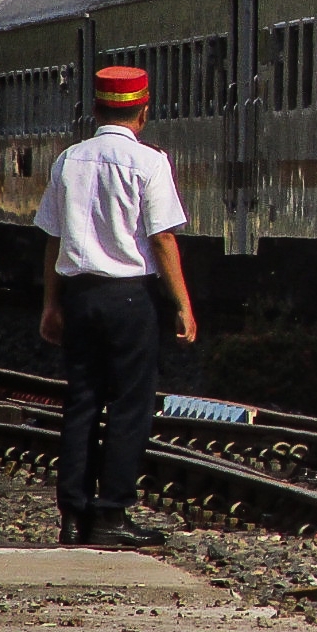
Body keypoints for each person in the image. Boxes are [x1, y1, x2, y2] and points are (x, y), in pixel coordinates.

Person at [35, 65, 197, 547]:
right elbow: (163, 237)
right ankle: (111, 515)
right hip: (130, 298)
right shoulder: (149, 162)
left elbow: (52, 238)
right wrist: (183, 303)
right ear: (143, 111)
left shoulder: (69, 160)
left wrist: (51, 303)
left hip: (80, 295)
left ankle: (72, 515)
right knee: (129, 405)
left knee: (81, 401)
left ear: (98, 108)